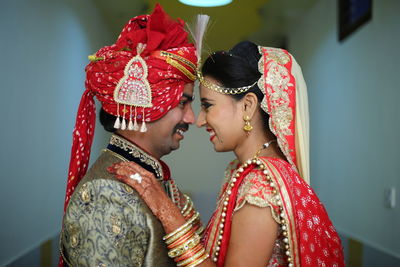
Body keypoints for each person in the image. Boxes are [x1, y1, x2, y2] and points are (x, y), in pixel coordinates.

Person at [109, 41, 345, 266]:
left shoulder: (260, 188)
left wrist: (168, 213)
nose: (199, 121)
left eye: (208, 105)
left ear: (247, 105)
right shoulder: (243, 170)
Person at [59, 4, 204, 266]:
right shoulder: (105, 193)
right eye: (183, 103)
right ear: (144, 104)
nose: (191, 119)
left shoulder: (149, 176)